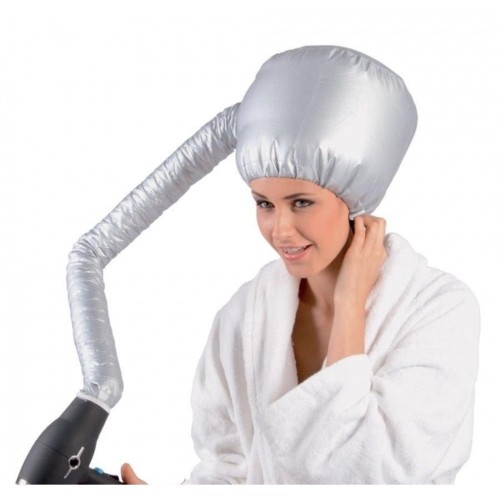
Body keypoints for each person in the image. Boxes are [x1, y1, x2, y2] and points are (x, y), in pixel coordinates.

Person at [119, 46, 480, 484]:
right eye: (264, 204)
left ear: (355, 196)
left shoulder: (439, 310)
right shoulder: (245, 316)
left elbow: (365, 475)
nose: (281, 230)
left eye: (302, 202)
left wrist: (349, 306)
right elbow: (226, 471)